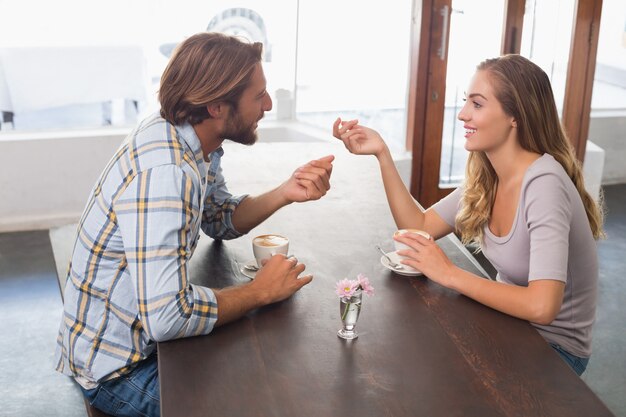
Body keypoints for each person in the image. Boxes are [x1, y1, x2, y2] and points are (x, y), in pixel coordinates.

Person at [55, 32, 334, 416]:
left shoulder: (187, 136)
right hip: (118, 370)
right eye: (259, 96)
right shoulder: (166, 176)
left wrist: (287, 191)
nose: (269, 104)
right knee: (276, 400)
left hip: (135, 341)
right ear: (217, 106)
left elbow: (218, 220)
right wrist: (259, 292)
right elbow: (168, 318)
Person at [333, 54, 603, 376]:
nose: (462, 115)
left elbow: (542, 307)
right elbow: (419, 227)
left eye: (477, 104)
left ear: (514, 115)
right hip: (511, 326)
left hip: (554, 350)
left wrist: (448, 273)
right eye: (465, 102)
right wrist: (382, 154)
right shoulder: (490, 174)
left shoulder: (544, 184)